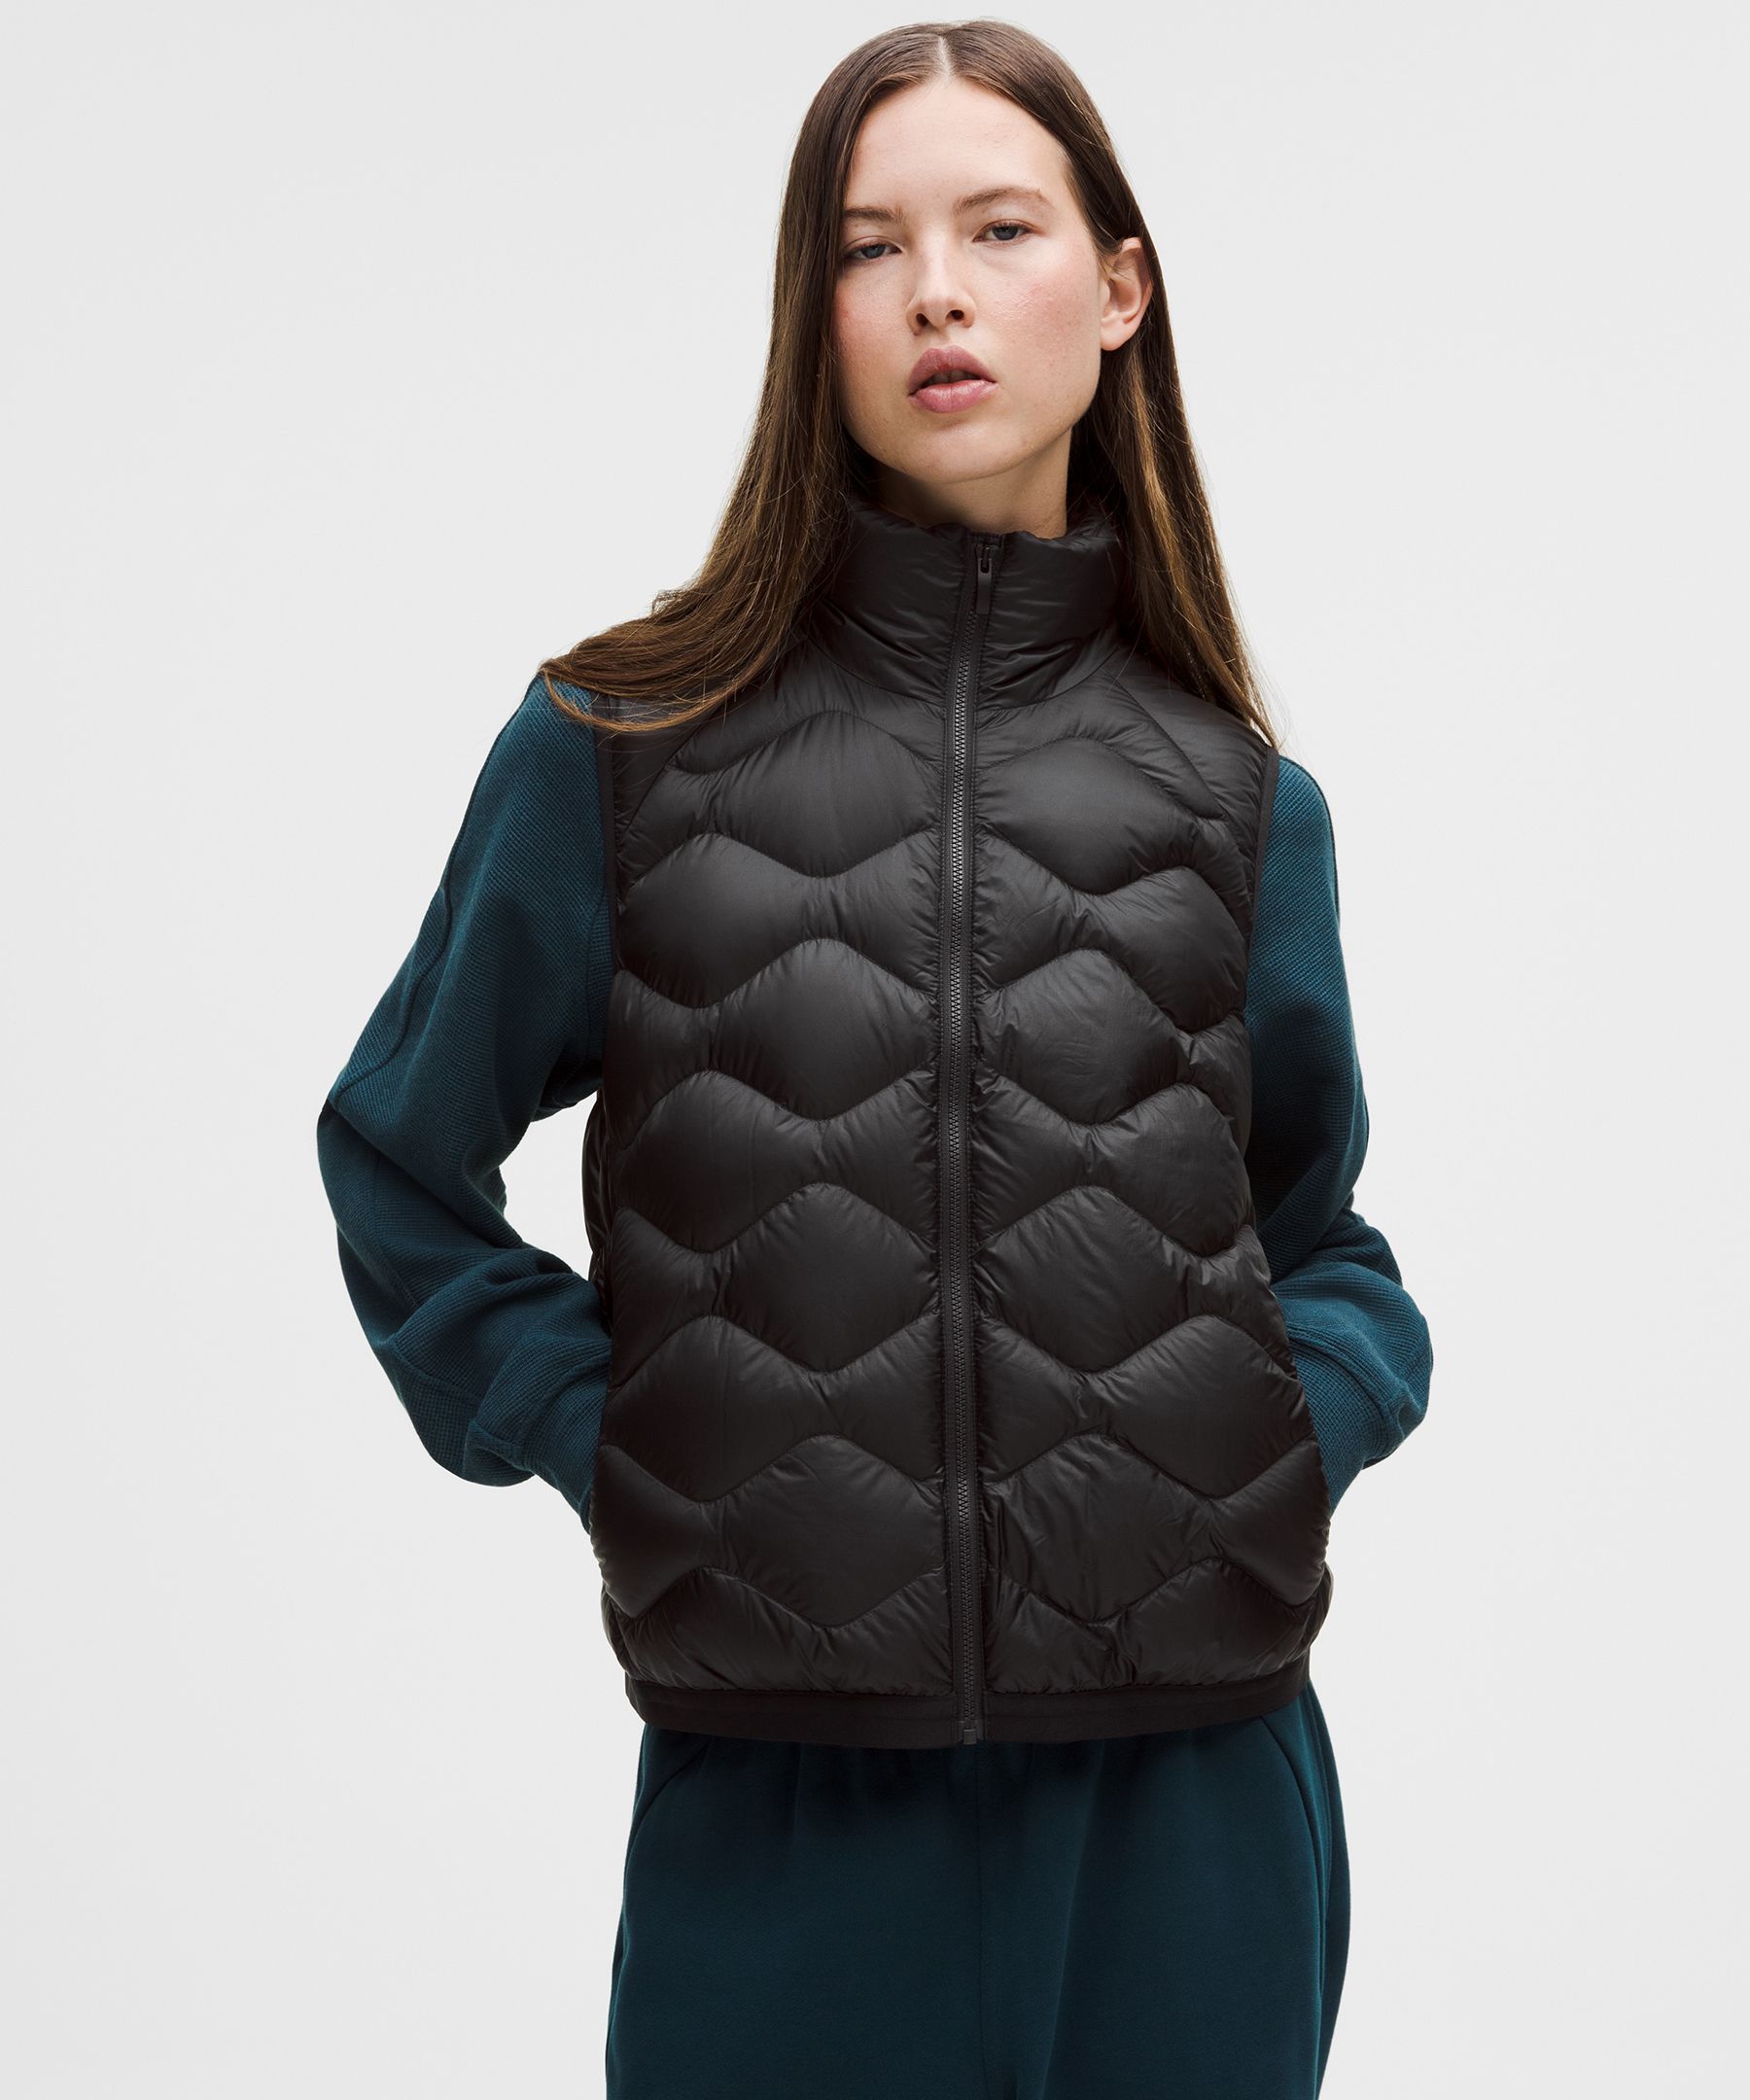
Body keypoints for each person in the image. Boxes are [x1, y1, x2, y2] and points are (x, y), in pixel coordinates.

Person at [316, 20, 1433, 2098]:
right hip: (784, 1801)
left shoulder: (1241, 803)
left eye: (1000, 228)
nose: (934, 291)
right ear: (808, 311)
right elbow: (399, 1164)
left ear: (1119, 287)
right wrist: (614, 1436)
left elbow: (1314, 1240)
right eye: (865, 244)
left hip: (1194, 1793)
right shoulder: (614, 752)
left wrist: (1302, 1430)